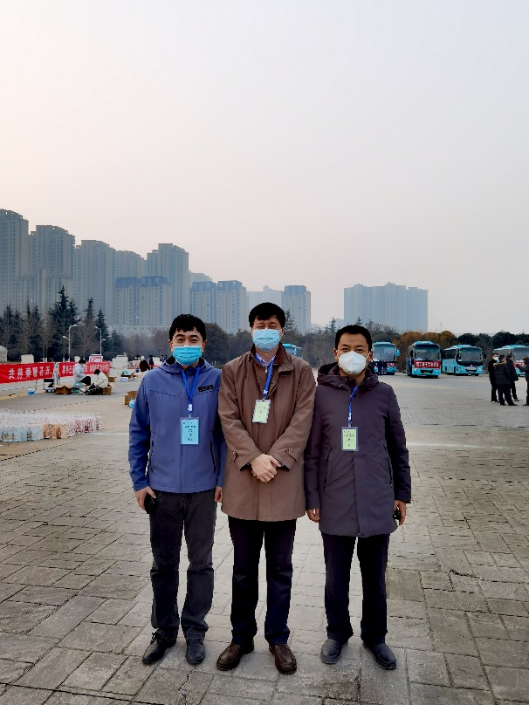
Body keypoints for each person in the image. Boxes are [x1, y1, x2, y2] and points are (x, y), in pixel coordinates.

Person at [216, 303, 316, 676]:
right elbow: (228, 418)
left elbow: (303, 419)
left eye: (272, 325)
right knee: (243, 569)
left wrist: (273, 459)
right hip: (244, 480)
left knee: (280, 569)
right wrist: (253, 458)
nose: (266, 330)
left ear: (282, 331)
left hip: (282, 481)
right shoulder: (232, 371)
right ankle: (241, 637)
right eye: (261, 325)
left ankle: (278, 638)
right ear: (251, 329)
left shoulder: (301, 371)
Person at [304, 325, 411, 671]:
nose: (353, 354)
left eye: (360, 349)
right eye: (346, 348)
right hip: (334, 498)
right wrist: (312, 496)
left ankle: (375, 636)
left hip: (377, 498)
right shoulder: (320, 395)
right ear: (335, 353)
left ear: (370, 354)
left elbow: (398, 448)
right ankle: (337, 632)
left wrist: (402, 494)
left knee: (375, 577)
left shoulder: (384, 394)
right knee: (336, 576)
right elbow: (312, 452)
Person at [129, 314, 226, 667]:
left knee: (201, 564)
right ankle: (165, 630)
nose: (187, 344)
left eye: (194, 339)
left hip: (203, 490)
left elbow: (226, 434)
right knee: (164, 564)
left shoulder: (217, 380)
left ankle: (195, 631)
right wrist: (140, 482)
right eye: (181, 339)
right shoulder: (152, 381)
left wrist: (222, 479)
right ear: (170, 344)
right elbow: (139, 433)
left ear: (204, 344)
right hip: (162, 490)